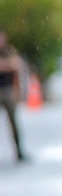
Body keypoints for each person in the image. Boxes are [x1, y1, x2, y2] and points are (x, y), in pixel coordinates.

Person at [0, 29, 29, 163]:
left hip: (7, 89)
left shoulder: (9, 51)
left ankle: (19, 152)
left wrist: (18, 91)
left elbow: (17, 67)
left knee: (13, 123)